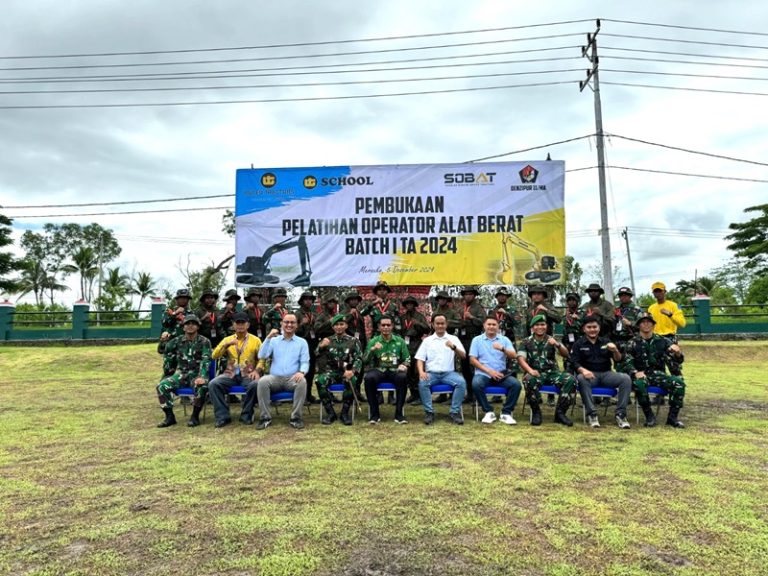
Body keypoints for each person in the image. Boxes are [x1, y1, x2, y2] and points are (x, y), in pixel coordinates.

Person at [625, 313, 686, 428]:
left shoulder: (663, 341)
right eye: (643, 322)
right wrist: (635, 372)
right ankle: (649, 416)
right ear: (638, 325)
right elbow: (627, 362)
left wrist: (678, 353)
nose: (646, 324)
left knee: (678, 383)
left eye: (649, 322)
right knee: (640, 384)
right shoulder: (632, 342)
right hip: (641, 375)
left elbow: (678, 361)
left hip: (658, 375)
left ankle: (672, 418)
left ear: (653, 325)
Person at [570, 315, 632, 429]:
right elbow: (574, 362)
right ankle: (592, 414)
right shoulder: (578, 344)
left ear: (599, 328)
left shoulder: (606, 342)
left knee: (625, 379)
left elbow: (618, 359)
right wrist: (583, 371)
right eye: (589, 327)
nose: (592, 329)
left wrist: (615, 350)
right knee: (581, 378)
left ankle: (621, 414)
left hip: (606, 374)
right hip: (589, 375)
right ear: (584, 329)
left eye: (595, 327)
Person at [517, 315, 577, 426]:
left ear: (546, 326)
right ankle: (536, 412)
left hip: (552, 373)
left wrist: (557, 345)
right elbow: (521, 359)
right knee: (528, 379)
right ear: (532, 327)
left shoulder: (552, 339)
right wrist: (530, 370)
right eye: (537, 325)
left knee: (571, 379)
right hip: (535, 373)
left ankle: (560, 413)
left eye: (542, 324)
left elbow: (566, 354)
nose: (540, 327)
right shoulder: (526, 342)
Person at [155, 314, 212, 428]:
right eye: (187, 324)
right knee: (162, 386)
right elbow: (162, 350)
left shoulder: (204, 341)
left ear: (198, 326)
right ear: (183, 327)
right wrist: (163, 341)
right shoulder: (176, 341)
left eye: (193, 324)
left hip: (197, 374)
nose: (190, 326)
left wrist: (202, 376)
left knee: (201, 386)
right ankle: (169, 417)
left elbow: (206, 360)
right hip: (182, 374)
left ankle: (195, 416)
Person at [255, 313, 310, 430]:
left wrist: (302, 372)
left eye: (292, 322)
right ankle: (265, 418)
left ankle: (296, 418)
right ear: (281, 324)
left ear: (297, 325)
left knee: (302, 382)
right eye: (286, 322)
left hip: (292, 378)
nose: (289, 325)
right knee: (263, 381)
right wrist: (268, 337)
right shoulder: (274, 341)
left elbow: (305, 361)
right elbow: (262, 355)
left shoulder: (302, 342)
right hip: (275, 378)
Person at [208, 312, 263, 427]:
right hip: (231, 373)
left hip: (248, 373)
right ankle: (222, 416)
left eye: (243, 323)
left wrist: (256, 371)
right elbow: (214, 356)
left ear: (248, 325)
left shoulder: (256, 340)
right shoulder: (227, 339)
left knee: (255, 384)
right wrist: (226, 345)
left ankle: (247, 414)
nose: (240, 325)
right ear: (233, 325)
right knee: (214, 384)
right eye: (238, 323)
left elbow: (262, 359)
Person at [414, 313, 467, 425]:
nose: (440, 326)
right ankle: (429, 412)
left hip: (448, 373)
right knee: (422, 383)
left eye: (442, 323)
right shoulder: (427, 341)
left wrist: (454, 347)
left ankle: (454, 412)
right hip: (431, 373)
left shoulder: (453, 339)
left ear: (446, 324)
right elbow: (420, 359)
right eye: (437, 323)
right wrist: (421, 372)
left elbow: (463, 356)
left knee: (461, 382)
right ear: (433, 325)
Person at [469, 316, 522, 425]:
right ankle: (488, 412)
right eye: (489, 324)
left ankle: (506, 413)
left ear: (498, 327)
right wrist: (489, 372)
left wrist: (502, 348)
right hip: (484, 374)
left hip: (501, 375)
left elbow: (514, 355)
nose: (491, 327)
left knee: (516, 385)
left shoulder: (504, 339)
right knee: (476, 384)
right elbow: (472, 360)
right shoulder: (477, 340)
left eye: (494, 324)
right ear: (484, 326)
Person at [314, 314, 363, 426]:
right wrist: (321, 346)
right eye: (336, 325)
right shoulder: (327, 340)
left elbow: (359, 358)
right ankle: (330, 413)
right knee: (319, 380)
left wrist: (353, 371)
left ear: (346, 326)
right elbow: (316, 353)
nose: (339, 327)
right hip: (331, 371)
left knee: (352, 380)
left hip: (347, 371)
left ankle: (344, 413)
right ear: (332, 327)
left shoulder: (354, 341)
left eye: (341, 324)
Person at [362, 315, 410, 424]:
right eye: (383, 325)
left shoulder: (400, 341)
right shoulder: (373, 341)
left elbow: (407, 358)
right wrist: (372, 350)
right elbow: (364, 360)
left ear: (392, 326)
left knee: (402, 377)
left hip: (395, 370)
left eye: (388, 325)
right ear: (379, 327)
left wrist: (404, 365)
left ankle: (399, 415)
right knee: (369, 378)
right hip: (379, 370)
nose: (386, 327)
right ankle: (374, 414)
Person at [648, 281, 687, 376]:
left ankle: (678, 383)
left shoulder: (673, 305)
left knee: (674, 365)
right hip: (656, 339)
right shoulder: (651, 308)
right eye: (655, 291)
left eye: (660, 291)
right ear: (653, 293)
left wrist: (670, 314)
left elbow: (682, 323)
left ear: (665, 292)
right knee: (657, 367)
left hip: (669, 338)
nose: (658, 293)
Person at [399, 295, 430, 405]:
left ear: (414, 305)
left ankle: (420, 395)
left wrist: (418, 323)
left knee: (417, 370)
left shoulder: (420, 316)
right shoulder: (402, 317)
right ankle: (413, 393)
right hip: (405, 344)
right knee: (408, 370)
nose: (409, 305)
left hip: (417, 343)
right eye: (407, 304)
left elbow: (427, 329)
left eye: (411, 304)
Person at [457, 286, 486, 403]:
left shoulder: (478, 308)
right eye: (466, 294)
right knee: (464, 368)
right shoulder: (460, 309)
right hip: (462, 340)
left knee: (474, 368)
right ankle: (469, 393)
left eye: (470, 294)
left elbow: (484, 323)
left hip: (474, 339)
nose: (468, 296)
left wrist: (472, 317)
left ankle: (476, 394)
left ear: (474, 295)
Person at [341, 290, 367, 401]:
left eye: (356, 300)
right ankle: (349, 392)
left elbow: (362, 329)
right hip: (349, 344)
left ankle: (357, 391)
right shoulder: (344, 313)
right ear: (348, 301)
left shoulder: (359, 313)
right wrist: (350, 315)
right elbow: (342, 325)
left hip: (360, 343)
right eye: (352, 300)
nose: (354, 301)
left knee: (360, 368)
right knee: (350, 366)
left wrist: (365, 343)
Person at [294, 291, 319, 404]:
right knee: (303, 370)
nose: (308, 301)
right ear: (302, 301)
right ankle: (301, 396)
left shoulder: (314, 314)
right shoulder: (297, 314)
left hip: (313, 343)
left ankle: (308, 394)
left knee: (311, 370)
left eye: (310, 299)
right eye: (306, 299)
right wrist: (301, 324)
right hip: (301, 344)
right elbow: (292, 330)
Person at [613, 286, 642, 350]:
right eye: (621, 295)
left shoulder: (636, 309)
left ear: (630, 296)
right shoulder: (616, 309)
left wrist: (630, 323)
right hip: (617, 339)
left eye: (626, 295)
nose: (623, 297)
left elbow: (642, 325)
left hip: (631, 339)